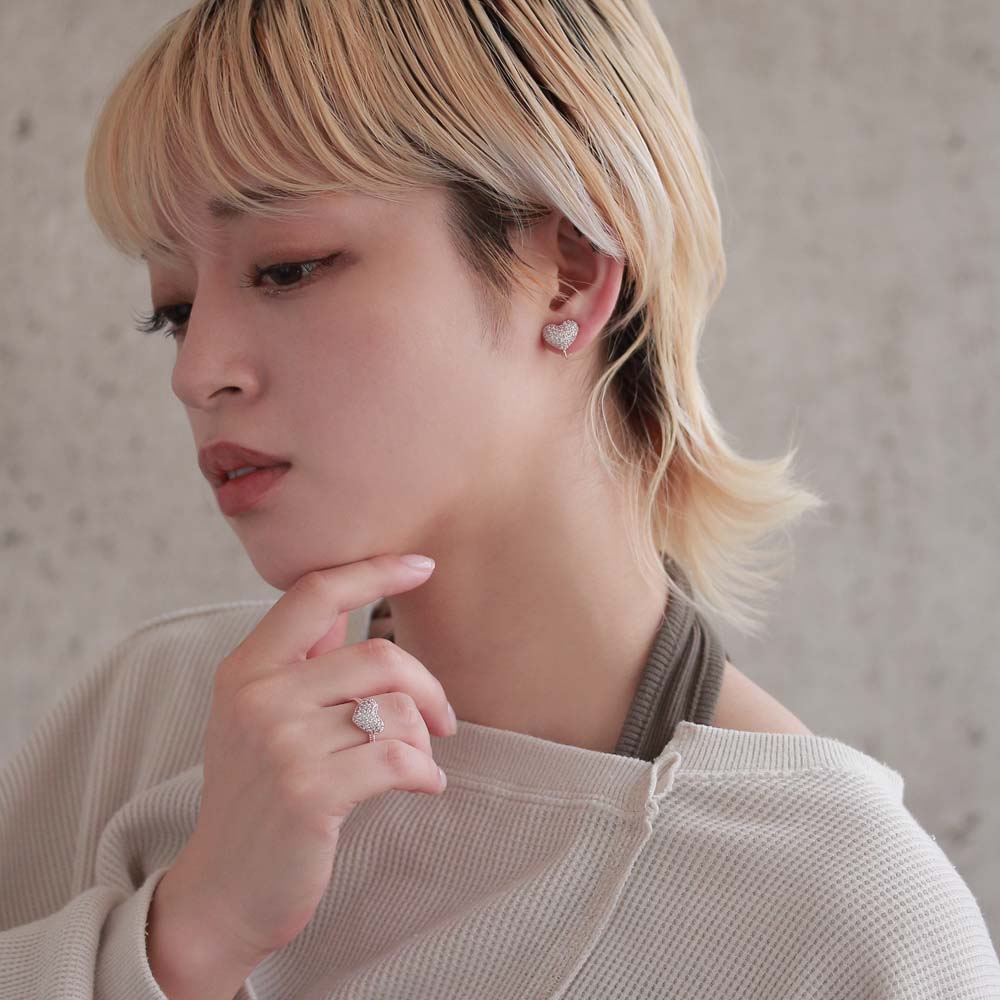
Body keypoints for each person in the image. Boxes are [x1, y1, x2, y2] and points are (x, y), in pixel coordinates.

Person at [2, 1, 997, 998]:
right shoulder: (149, 717)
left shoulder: (844, 917)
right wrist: (188, 937)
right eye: (173, 311)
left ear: (567, 273)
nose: (198, 371)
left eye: (287, 268)